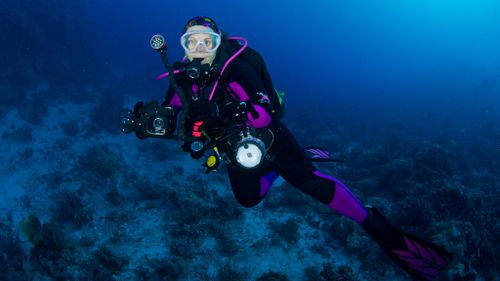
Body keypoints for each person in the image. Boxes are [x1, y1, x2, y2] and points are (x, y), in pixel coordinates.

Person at [126, 16, 452, 281]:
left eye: (206, 42)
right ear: (183, 47)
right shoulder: (180, 79)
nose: (199, 49)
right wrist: (150, 122)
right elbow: (169, 114)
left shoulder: (237, 69)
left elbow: (264, 111)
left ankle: (377, 227)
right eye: (191, 42)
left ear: (217, 44)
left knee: (309, 182)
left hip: (268, 137)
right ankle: (276, 173)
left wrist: (228, 111)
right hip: (234, 150)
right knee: (247, 199)